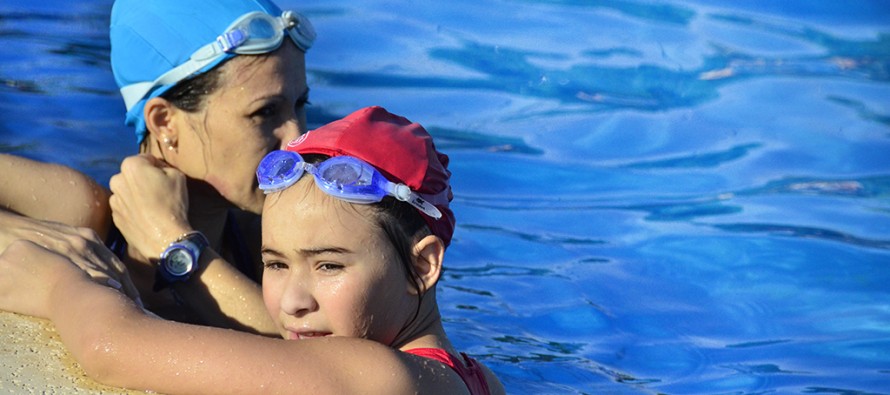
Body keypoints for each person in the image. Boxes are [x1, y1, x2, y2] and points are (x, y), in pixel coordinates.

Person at [0, 106, 506, 395]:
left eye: (329, 264)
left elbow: (111, 349)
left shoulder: (378, 379)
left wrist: (58, 282)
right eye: (275, 264)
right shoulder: (479, 380)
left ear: (423, 264)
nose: (292, 301)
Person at [0, 0, 315, 333]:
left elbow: (321, 364)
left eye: (300, 104)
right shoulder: (84, 212)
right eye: (265, 113)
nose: (297, 140)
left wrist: (173, 245)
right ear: (164, 123)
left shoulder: (267, 239)